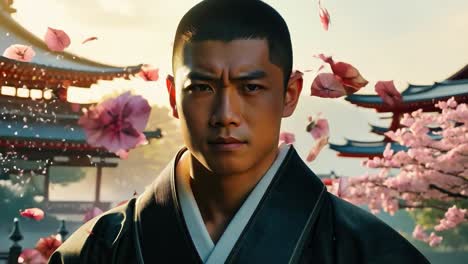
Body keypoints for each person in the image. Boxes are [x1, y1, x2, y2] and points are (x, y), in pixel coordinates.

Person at [50, 0, 429, 263]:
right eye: (201, 87)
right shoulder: (96, 252)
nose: (225, 115)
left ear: (290, 94)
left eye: (251, 88)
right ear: (172, 96)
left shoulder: (371, 252)